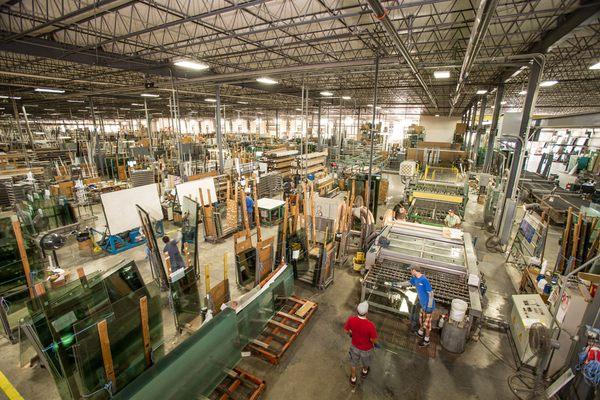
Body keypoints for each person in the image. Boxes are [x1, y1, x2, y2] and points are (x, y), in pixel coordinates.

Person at [343, 301, 378, 386]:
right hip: (366, 349)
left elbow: (346, 330)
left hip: (354, 347)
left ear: (357, 311)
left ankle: (353, 378)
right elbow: (374, 340)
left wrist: (351, 334)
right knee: (366, 362)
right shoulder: (371, 325)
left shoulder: (351, 319)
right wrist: (374, 344)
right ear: (367, 312)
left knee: (353, 363)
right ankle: (364, 371)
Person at [406, 266, 435, 347]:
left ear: (414, 270)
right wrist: (396, 284)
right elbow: (408, 282)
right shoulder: (415, 278)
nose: (410, 272)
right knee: (422, 320)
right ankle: (420, 333)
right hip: (423, 305)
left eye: (410, 270)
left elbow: (431, 294)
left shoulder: (424, 280)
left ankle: (426, 341)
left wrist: (429, 307)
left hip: (428, 306)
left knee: (427, 325)